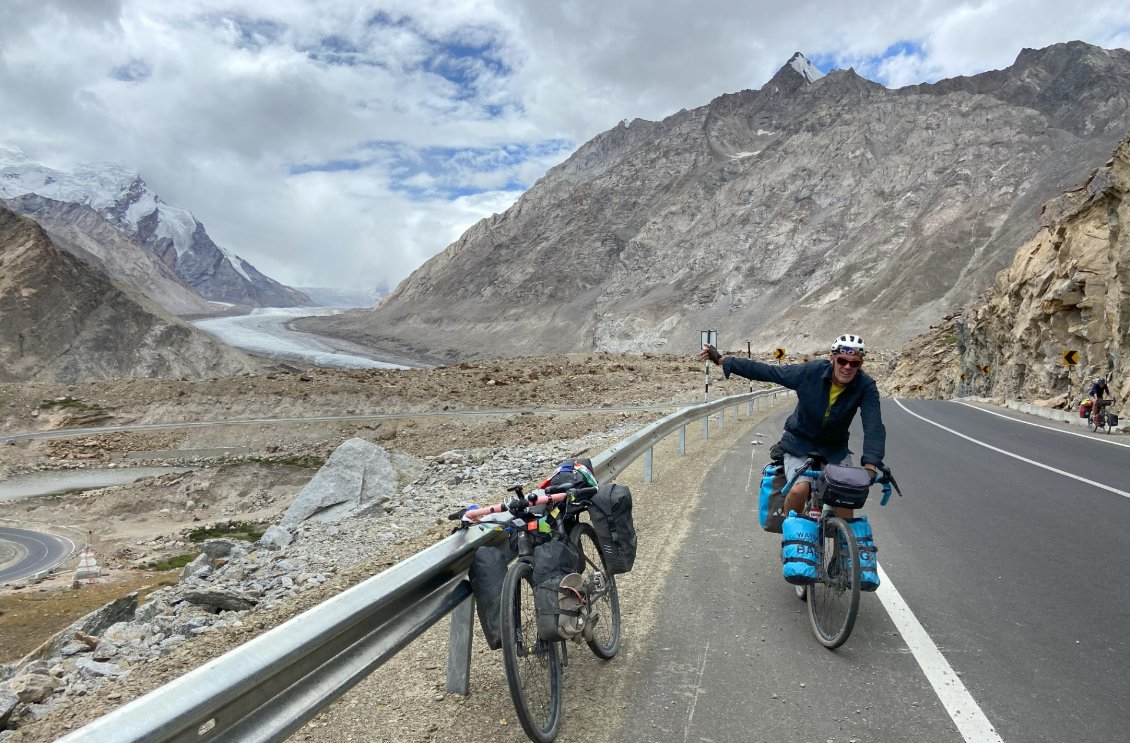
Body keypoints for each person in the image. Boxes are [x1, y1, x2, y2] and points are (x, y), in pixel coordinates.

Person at [699, 333, 886, 517]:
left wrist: (870, 466)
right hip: (798, 443)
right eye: (842, 361)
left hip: (834, 448)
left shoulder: (866, 386)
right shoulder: (809, 372)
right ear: (832, 359)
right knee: (799, 489)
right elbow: (768, 372)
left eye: (854, 363)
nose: (847, 367)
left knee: (845, 494)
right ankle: (792, 538)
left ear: (860, 364)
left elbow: (874, 425)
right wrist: (724, 361)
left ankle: (843, 546)